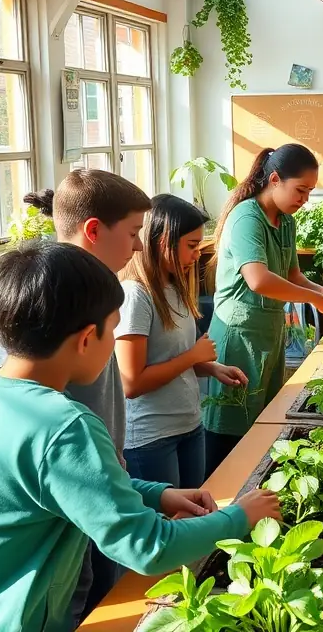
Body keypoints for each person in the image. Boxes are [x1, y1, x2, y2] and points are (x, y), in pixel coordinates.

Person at [0, 242, 282, 632]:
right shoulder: (64, 425)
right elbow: (148, 547)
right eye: (114, 330)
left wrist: (157, 495)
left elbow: (60, 483)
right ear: (87, 338)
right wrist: (238, 517)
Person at [0, 170, 151, 623]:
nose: (140, 246)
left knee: (101, 596)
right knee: (76, 604)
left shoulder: (94, 295)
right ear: (94, 230)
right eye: (133, 233)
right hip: (68, 494)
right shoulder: (49, 300)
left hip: (96, 482)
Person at [205, 144, 323, 475]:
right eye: (300, 190)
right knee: (231, 427)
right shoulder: (246, 217)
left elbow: (291, 274)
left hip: (269, 331)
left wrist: (318, 289)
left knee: (263, 423)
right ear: (275, 180)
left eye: (310, 192)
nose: (305, 199)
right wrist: (313, 299)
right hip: (239, 335)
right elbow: (258, 279)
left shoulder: (285, 221)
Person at [116, 195, 249, 489]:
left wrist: (212, 368)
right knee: (167, 517)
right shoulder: (136, 295)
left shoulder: (174, 287)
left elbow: (172, 357)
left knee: (193, 511)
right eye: (191, 245)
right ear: (163, 241)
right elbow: (132, 383)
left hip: (189, 426)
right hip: (151, 437)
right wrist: (193, 357)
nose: (198, 254)